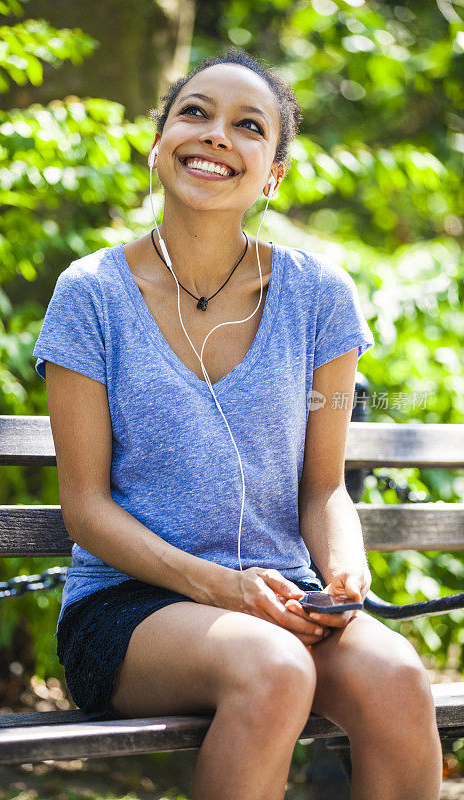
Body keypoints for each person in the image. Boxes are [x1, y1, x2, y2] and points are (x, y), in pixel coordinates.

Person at [33, 46, 442, 800]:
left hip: (282, 597)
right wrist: (222, 588)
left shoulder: (318, 295)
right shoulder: (90, 292)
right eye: (194, 113)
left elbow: (323, 489)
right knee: (273, 668)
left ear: (274, 172)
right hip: (132, 608)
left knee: (396, 677)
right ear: (158, 146)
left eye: (247, 125)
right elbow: (84, 509)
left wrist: (344, 573)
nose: (216, 134)